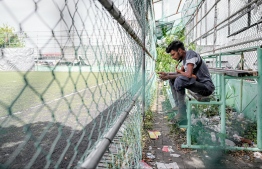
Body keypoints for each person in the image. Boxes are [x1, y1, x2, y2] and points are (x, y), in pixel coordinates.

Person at [158, 40, 215, 124]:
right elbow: (181, 74)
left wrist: (168, 76)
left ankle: (182, 113)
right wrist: (167, 74)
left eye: (173, 54)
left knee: (179, 79)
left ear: (180, 50)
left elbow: (188, 75)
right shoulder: (185, 59)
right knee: (173, 79)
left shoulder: (190, 54)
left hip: (206, 88)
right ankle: (178, 106)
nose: (172, 57)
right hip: (198, 85)